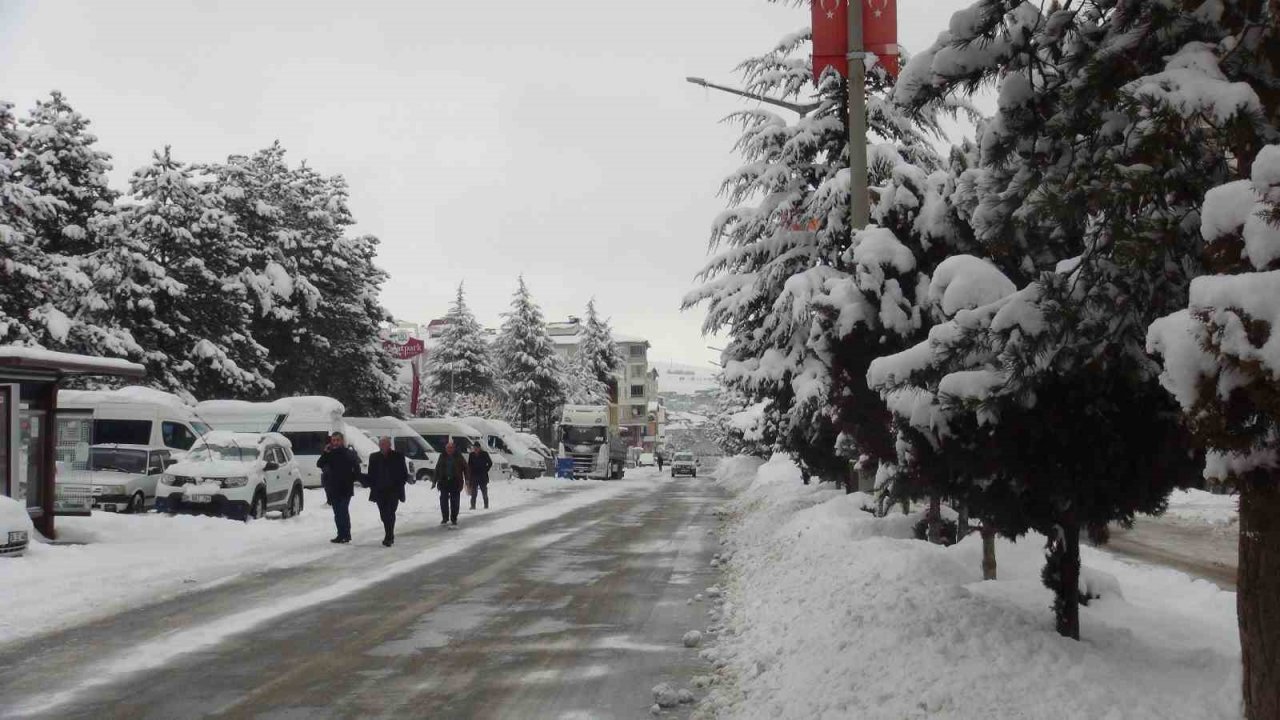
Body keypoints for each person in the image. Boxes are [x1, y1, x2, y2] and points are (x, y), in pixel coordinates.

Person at [317, 431, 361, 544]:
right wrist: (325, 452)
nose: (335, 442)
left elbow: (357, 466)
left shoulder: (348, 453)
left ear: (342, 441)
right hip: (333, 488)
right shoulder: (330, 454)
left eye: (337, 440)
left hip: (346, 487)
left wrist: (354, 478)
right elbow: (319, 464)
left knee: (343, 510)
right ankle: (340, 534)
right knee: (337, 513)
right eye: (333, 440)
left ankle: (346, 534)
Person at [367, 436, 409, 547]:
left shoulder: (398, 456)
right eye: (381, 444)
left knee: (390, 512)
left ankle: (389, 536)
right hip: (379, 491)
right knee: (383, 514)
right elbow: (371, 474)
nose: (382, 446)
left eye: (385, 444)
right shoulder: (374, 457)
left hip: (393, 491)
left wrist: (400, 484)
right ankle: (389, 533)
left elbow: (404, 473)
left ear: (389, 445)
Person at [433, 440, 469, 527]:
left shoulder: (458, 456)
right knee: (443, 500)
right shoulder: (442, 456)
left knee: (455, 501)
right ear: (445, 449)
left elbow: (466, 468)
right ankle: (445, 518)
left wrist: (467, 479)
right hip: (444, 481)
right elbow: (437, 468)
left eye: (451, 448)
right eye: (447, 448)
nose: (449, 450)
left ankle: (454, 518)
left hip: (455, 481)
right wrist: (434, 481)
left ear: (454, 449)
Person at [468, 443, 493, 510]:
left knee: (484, 491)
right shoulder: (471, 455)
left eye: (477, 448)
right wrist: (470, 474)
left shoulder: (484, 454)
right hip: (474, 476)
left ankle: (486, 505)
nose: (475, 449)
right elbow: (469, 465)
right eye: (474, 448)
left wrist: (485, 470)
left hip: (482, 476)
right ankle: (473, 506)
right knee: (474, 492)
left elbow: (490, 463)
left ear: (479, 448)